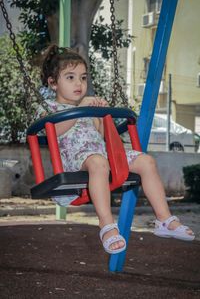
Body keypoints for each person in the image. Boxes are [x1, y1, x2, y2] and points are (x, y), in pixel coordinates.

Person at [37, 45, 195, 255]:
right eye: (71, 77)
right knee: (98, 162)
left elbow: (101, 136)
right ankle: (107, 226)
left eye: (83, 78)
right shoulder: (49, 108)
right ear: (53, 83)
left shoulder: (86, 107)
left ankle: (164, 219)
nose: (79, 83)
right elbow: (53, 131)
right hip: (75, 161)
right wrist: (79, 108)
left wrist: (101, 115)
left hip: (101, 155)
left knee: (145, 161)